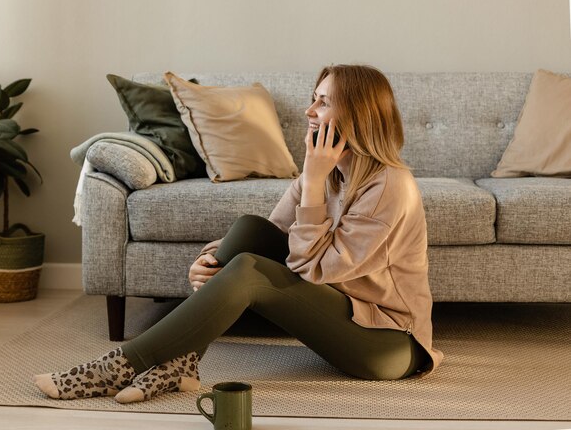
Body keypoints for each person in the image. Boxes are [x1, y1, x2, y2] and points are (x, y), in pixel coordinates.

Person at [34, 64, 443, 404]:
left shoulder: (389, 186)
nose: (309, 110)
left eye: (323, 101)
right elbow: (271, 234)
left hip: (388, 343)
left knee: (248, 269)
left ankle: (115, 367)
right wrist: (208, 261)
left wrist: (314, 180)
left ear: (356, 113)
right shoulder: (325, 173)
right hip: (345, 310)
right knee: (248, 230)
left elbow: (313, 269)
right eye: (313, 97)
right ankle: (180, 364)